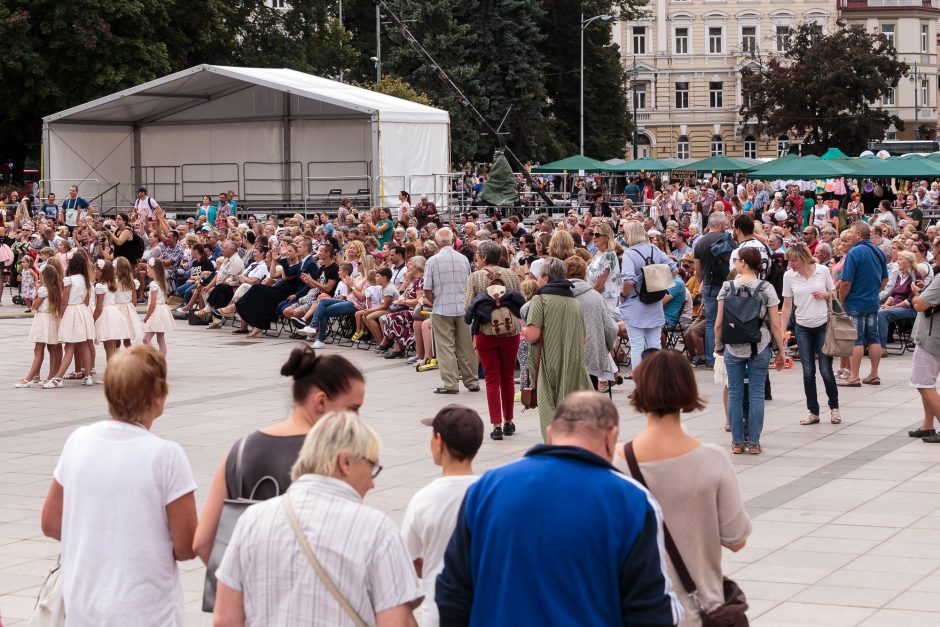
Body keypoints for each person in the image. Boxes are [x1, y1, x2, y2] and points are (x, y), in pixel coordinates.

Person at [436, 391, 681, 626]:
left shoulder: (487, 488)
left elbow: (452, 593)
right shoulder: (631, 502)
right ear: (611, 437)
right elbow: (650, 611)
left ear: (550, 434)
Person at [212, 411, 422, 626]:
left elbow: (225, 619)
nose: (372, 482)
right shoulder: (378, 530)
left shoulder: (252, 520)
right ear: (345, 462)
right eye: (372, 467)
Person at [40, 345, 197, 626]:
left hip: (84, 608)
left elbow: (51, 522)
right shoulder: (166, 456)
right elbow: (186, 546)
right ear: (158, 397)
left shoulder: (78, 440)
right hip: (146, 611)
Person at [613, 349, 751, 626]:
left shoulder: (615, 463)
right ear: (688, 388)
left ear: (641, 391)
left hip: (640, 611)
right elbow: (736, 539)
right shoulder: (713, 459)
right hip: (703, 610)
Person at [193, 346, 365, 563]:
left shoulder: (241, 449)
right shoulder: (334, 459)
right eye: (352, 409)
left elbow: (202, 542)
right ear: (320, 401)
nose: (358, 418)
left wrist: (235, 585)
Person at [403, 405, 483, 627]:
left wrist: (433, 565)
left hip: (438, 611)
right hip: (484, 608)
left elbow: (405, 559)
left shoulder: (423, 500)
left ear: (439, 441)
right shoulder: (488, 493)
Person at [715, 247, 787, 454]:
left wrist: (718, 345)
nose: (735, 262)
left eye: (737, 259)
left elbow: (719, 323)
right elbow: (775, 324)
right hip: (760, 345)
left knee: (735, 394)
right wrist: (781, 351)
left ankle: (737, 442)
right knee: (756, 394)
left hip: (733, 346)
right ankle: (754, 442)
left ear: (744, 262)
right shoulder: (766, 288)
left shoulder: (727, 287)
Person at [522, 257, 593, 441]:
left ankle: (555, 447)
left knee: (549, 409)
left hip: (548, 362)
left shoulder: (541, 299)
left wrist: (521, 329)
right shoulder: (574, 302)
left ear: (545, 278)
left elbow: (533, 335)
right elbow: (583, 338)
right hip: (572, 362)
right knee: (569, 408)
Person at [464, 240, 523, 440]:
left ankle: (496, 424)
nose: (476, 260)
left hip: (486, 331)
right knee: (507, 377)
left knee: (491, 379)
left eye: (478, 256)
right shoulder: (512, 275)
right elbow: (522, 302)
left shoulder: (475, 277)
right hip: (511, 330)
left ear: (485, 258)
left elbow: (467, 306)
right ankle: (509, 421)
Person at [780, 243, 842, 426]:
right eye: (789, 261)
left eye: (793, 260)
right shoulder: (789, 276)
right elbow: (787, 305)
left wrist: (825, 294)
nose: (790, 264)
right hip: (802, 326)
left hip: (823, 324)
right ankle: (813, 411)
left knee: (826, 370)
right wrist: (783, 330)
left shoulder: (822, 270)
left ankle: (834, 408)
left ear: (802, 257)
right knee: (808, 371)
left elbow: (833, 292)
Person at [424, 227, 479, 394]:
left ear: (437, 242)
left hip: (442, 306)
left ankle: (450, 383)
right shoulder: (463, 259)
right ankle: (472, 381)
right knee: (466, 346)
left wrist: (434, 301)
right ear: (452, 240)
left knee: (445, 346)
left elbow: (427, 289)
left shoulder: (432, 261)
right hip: (462, 306)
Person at [620, 221, 678, 370]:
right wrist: (660, 283)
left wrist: (622, 295)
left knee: (637, 345)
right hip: (654, 301)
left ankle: (640, 386)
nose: (623, 235)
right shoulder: (654, 249)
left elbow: (629, 281)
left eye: (624, 232)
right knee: (654, 344)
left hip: (635, 302)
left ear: (630, 234)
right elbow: (673, 268)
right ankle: (657, 382)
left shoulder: (629, 254)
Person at [838, 222, 889, 388]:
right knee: (873, 338)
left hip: (855, 301)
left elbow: (846, 281)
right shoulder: (878, 250)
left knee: (856, 339)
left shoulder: (855, 252)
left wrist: (842, 299)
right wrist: (875, 291)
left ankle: (854, 376)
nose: (850, 235)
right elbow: (885, 279)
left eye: (852, 232)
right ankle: (874, 374)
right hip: (872, 301)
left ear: (858, 235)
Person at [566, 255, 619, 392]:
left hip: (565, 356)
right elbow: (611, 328)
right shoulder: (595, 296)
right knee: (589, 398)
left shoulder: (558, 296)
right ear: (584, 274)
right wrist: (605, 346)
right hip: (592, 356)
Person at [44, 252, 96, 388]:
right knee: (84, 344)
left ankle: (57, 378)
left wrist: (61, 314)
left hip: (71, 311)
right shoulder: (86, 280)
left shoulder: (69, 280)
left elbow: (64, 300)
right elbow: (86, 300)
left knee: (69, 346)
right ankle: (88, 376)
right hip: (82, 311)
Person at [15, 264, 63, 387]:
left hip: (42, 319)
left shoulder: (43, 290)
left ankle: (29, 378)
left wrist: (36, 289)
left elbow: (34, 306)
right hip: (52, 319)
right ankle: (52, 376)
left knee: (38, 349)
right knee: (53, 349)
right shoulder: (56, 289)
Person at [694, 212, 731, 368]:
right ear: (721, 224)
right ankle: (725, 355)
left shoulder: (700, 242)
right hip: (725, 284)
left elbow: (697, 270)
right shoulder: (726, 239)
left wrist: (703, 281)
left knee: (711, 322)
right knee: (726, 320)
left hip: (708, 284)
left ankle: (711, 359)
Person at [910, 272, 940, 443]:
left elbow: (920, 305)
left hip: (932, 338)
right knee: (928, 383)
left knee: (923, 384)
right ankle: (927, 426)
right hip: (933, 336)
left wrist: (917, 294)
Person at [877, 251, 921, 352]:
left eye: (900, 259)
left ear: (908, 262)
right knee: (874, 309)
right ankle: (869, 344)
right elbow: (893, 294)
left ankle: (881, 347)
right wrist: (885, 304)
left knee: (882, 313)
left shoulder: (915, 276)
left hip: (909, 309)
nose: (897, 262)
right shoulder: (899, 275)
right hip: (896, 306)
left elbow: (910, 300)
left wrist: (892, 307)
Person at [143, 258, 175, 356]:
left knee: (146, 339)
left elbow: (153, 304)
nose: (147, 270)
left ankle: (156, 359)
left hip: (156, 312)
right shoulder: (162, 282)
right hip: (162, 310)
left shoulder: (153, 284)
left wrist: (147, 317)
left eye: (148, 268)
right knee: (160, 338)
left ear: (154, 270)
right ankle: (162, 361)